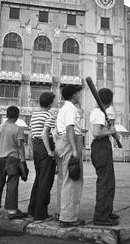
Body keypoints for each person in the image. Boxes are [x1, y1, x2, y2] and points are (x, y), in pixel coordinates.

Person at [0, 106, 28, 219]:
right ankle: (12, 211)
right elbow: (20, 146)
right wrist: (23, 161)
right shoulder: (18, 129)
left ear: (7, 115)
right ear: (17, 116)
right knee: (12, 184)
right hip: (13, 160)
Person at [55, 84, 85, 228]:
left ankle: (61, 212)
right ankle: (68, 218)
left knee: (63, 179)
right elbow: (69, 128)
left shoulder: (63, 109)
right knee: (72, 180)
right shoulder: (71, 108)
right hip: (69, 143)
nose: (79, 96)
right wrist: (74, 150)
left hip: (62, 142)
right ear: (73, 95)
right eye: (78, 94)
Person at [90, 88, 119, 226]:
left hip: (101, 147)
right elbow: (96, 132)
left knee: (109, 182)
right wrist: (110, 130)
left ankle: (106, 211)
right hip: (101, 147)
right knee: (105, 183)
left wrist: (110, 130)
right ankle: (101, 217)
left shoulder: (98, 112)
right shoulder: (100, 112)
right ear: (109, 100)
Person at [27, 92, 56, 223]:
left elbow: (32, 134)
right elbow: (45, 134)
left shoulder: (34, 115)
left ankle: (32, 210)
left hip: (36, 147)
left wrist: (34, 149)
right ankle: (40, 214)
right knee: (46, 180)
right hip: (45, 146)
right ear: (50, 104)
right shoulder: (49, 115)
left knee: (39, 178)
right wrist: (50, 151)